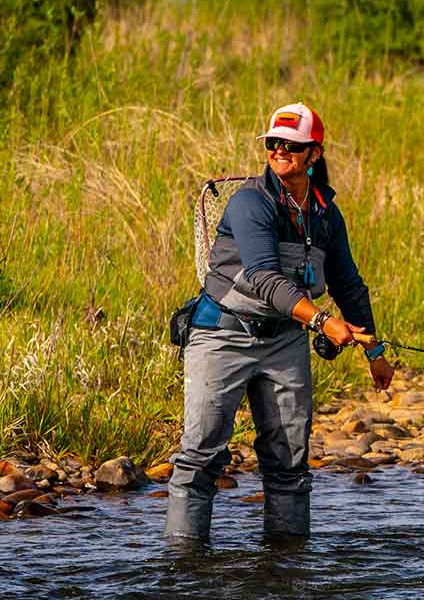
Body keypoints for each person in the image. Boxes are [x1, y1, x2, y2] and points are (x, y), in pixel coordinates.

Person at [164, 102, 396, 543]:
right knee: (201, 457)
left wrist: (375, 352)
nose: (279, 151)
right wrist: (323, 321)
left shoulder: (326, 214)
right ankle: (183, 568)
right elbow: (265, 279)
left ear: (314, 154)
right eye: (273, 143)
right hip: (222, 335)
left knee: (289, 461)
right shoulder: (250, 202)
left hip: (285, 339)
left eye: (291, 145)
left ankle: (288, 566)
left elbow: (348, 285)